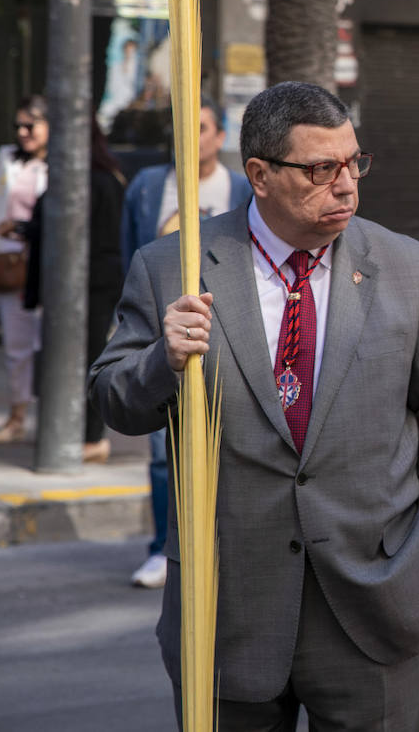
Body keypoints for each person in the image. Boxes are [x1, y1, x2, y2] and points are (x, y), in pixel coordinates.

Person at [89, 82, 419, 730]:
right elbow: (114, 400)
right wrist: (164, 357)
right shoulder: (174, 268)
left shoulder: (408, 267)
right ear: (260, 175)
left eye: (354, 163)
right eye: (321, 169)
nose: (347, 185)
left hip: (376, 605)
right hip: (228, 611)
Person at [120, 96, 252, 589]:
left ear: (219, 137)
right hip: (163, 340)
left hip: (231, 340)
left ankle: (221, 545)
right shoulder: (149, 186)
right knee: (161, 450)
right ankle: (163, 548)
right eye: (181, 128)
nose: (189, 138)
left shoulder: (240, 188)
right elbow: (130, 258)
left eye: (200, 128)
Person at [20, 120, 125, 463]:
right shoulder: (109, 177)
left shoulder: (83, 181)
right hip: (97, 283)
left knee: (86, 360)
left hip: (85, 285)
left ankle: (90, 437)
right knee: (89, 358)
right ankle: (85, 434)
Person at [0, 95, 49, 444]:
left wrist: (22, 228)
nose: (23, 132)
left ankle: (55, 420)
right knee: (17, 345)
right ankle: (17, 415)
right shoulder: (8, 157)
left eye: (30, 125)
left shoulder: (61, 164)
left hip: (47, 263)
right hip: (11, 263)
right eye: (18, 126)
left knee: (49, 345)